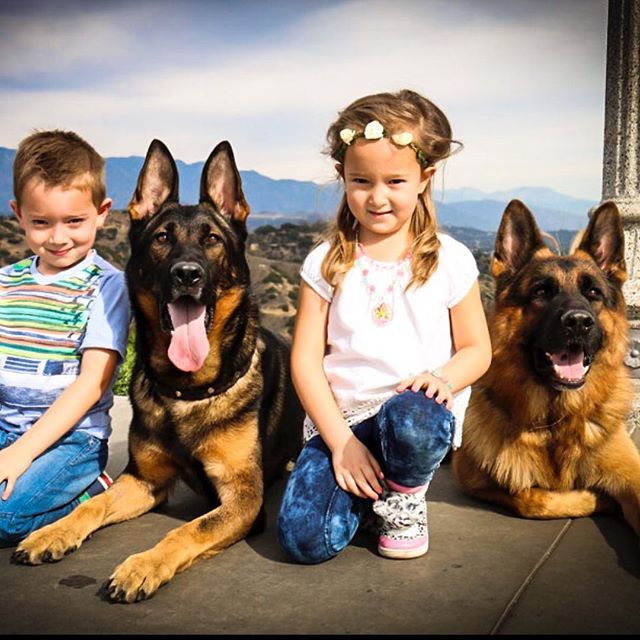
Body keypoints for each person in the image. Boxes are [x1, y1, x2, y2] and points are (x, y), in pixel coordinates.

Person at [277, 89, 492, 562]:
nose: (377, 197)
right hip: (343, 423)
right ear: (342, 177)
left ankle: (404, 497)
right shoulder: (326, 262)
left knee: (413, 415)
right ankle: (366, 494)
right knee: (303, 541)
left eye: (395, 181)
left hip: (411, 420)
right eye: (361, 181)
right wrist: (341, 445)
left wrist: (442, 380)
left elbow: (478, 349)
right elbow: (306, 363)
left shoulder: (450, 260)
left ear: (424, 179)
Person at [0, 130, 131, 545]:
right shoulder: (6, 283)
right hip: (6, 427)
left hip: (73, 441)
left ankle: (92, 490)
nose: (58, 238)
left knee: (5, 518)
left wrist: (21, 453)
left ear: (102, 211)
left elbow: (90, 385)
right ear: (18, 214)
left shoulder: (107, 286)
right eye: (41, 222)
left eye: (74, 221)